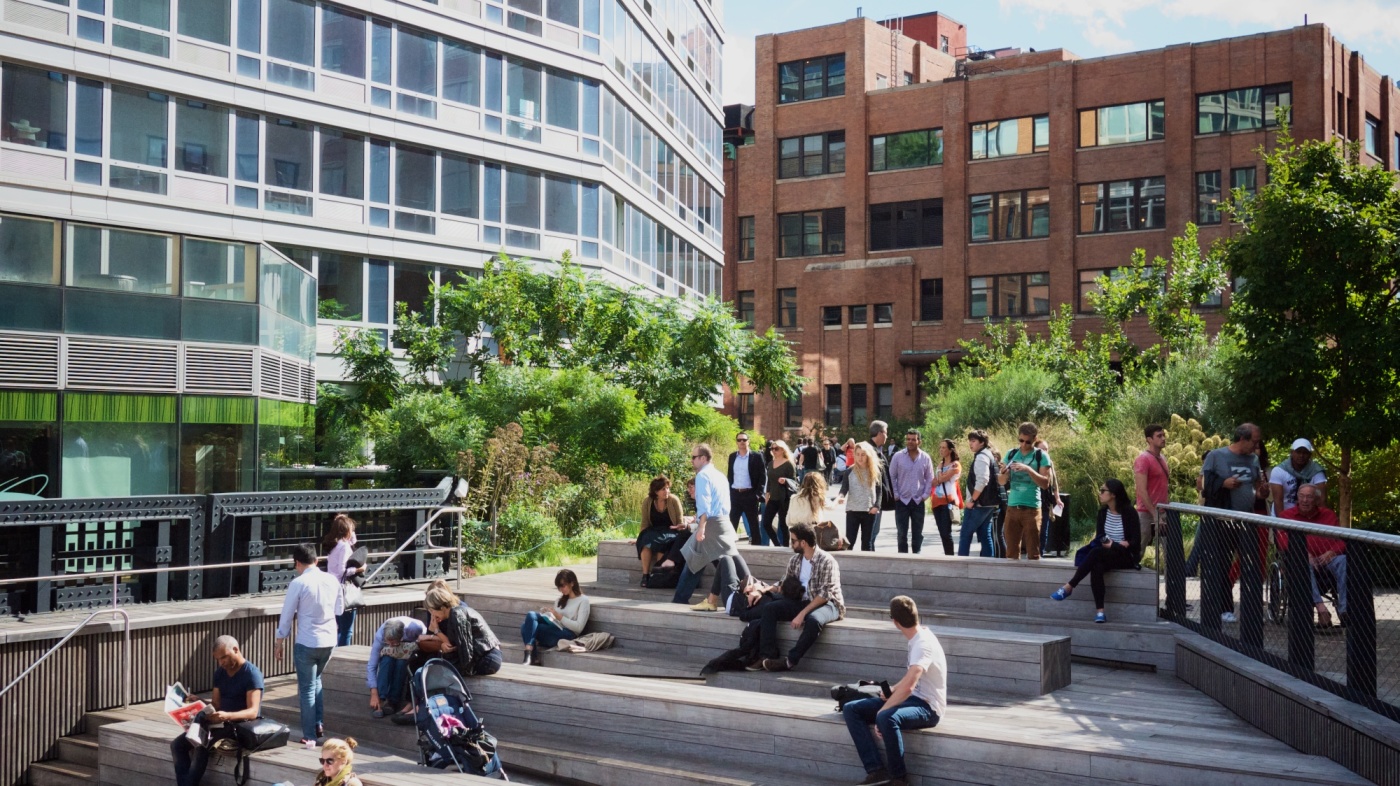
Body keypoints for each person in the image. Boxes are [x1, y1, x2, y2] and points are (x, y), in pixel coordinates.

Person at [842, 596, 945, 786]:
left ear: (895, 622)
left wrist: (883, 709)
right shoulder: (918, 637)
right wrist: (893, 689)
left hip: (929, 708)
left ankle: (899, 779)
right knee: (851, 709)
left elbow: (910, 686)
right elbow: (909, 680)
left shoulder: (923, 644)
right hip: (913, 699)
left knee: (885, 717)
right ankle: (876, 771)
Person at [752, 522, 845, 672]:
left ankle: (790, 661)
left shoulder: (827, 561)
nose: (791, 544)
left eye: (793, 540)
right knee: (770, 609)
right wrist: (762, 589)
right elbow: (784, 583)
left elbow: (825, 594)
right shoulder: (795, 560)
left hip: (828, 604)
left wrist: (802, 614)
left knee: (813, 620)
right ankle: (767, 656)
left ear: (803, 542)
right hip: (802, 601)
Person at [171, 635, 264, 786]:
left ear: (236, 650)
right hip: (218, 722)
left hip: (239, 726)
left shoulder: (251, 674)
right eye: (218, 659)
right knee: (177, 745)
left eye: (224, 657)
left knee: (201, 745)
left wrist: (227, 716)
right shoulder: (220, 673)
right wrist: (199, 701)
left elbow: (253, 712)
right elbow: (216, 704)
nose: (221, 663)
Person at [1197, 423, 1264, 623]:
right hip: (1223, 519)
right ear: (1242, 439)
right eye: (1254, 441)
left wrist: (1263, 492)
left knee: (1251, 565)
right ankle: (1224, 608)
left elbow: (1257, 487)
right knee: (1222, 564)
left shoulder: (1253, 459)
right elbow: (1200, 483)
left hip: (1247, 519)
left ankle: (1252, 609)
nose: (1257, 446)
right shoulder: (1216, 456)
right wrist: (1223, 483)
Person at [275, 543, 340, 745]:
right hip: (329, 640)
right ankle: (318, 724)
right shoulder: (332, 579)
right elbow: (339, 609)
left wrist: (279, 641)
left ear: (297, 563)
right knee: (316, 680)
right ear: (317, 560)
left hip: (307, 641)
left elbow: (287, 615)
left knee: (306, 689)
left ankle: (309, 735)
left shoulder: (298, 583)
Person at [1051, 479, 1142, 623]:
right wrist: (1115, 544)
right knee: (1096, 566)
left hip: (1126, 556)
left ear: (1113, 494)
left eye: (1103, 491)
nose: (1100, 493)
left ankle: (1069, 587)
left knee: (1095, 553)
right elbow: (1100, 537)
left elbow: (1135, 542)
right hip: (1108, 552)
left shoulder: (1129, 512)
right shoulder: (1103, 513)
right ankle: (1100, 612)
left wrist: (1114, 545)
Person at [676, 444, 741, 606]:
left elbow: (704, 504)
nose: (691, 460)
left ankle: (679, 600)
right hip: (723, 522)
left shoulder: (702, 476)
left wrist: (701, 527)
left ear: (703, 458)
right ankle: (739, 593)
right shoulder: (720, 475)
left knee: (696, 558)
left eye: (694, 457)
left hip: (711, 524)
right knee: (716, 559)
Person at [1279, 484, 1348, 628]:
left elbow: (1342, 540)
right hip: (1302, 559)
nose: (1305, 500)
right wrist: (1303, 553)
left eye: (1309, 497)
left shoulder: (1328, 515)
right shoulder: (1286, 516)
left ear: (1316, 499)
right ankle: (1321, 609)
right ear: (1297, 497)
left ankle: (1345, 610)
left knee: (1344, 561)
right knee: (1302, 562)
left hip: (1327, 559)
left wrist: (1332, 552)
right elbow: (1282, 540)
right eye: (1302, 496)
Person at [422, 581, 503, 677]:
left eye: (432, 610)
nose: (432, 614)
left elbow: (465, 653)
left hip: (487, 658)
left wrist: (437, 630)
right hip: (481, 657)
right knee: (434, 663)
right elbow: (454, 645)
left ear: (442, 608)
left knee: (439, 669)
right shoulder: (453, 613)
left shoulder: (457, 615)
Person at [998, 422, 1053, 560]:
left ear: (1035, 439)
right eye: (1021, 440)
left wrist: (1028, 469)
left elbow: (1045, 484)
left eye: (1028, 442)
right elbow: (1001, 481)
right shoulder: (1011, 454)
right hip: (1012, 507)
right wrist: (1004, 472)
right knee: (1011, 553)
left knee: (1033, 553)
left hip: (1031, 508)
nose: (1023, 444)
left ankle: (1033, 574)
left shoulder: (1041, 456)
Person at [521, 569, 591, 665]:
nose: (561, 589)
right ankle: (530, 653)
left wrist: (559, 616)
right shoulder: (559, 600)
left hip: (568, 634)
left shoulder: (583, 600)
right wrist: (548, 614)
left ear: (572, 583)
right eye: (559, 587)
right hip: (554, 628)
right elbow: (555, 621)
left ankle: (531, 656)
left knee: (525, 627)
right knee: (531, 615)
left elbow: (579, 628)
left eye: (563, 586)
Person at [367, 616, 426, 718]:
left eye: (393, 642)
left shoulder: (415, 628)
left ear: (402, 635)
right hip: (389, 653)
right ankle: (381, 698)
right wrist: (373, 692)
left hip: (407, 648)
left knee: (401, 663)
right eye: (388, 642)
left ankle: (393, 700)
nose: (390, 645)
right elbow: (372, 665)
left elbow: (424, 638)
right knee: (386, 661)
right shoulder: (380, 636)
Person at [889, 429, 935, 554]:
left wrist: (925, 495)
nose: (910, 442)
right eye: (908, 439)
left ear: (919, 441)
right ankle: (903, 559)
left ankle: (917, 557)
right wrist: (896, 494)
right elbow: (892, 476)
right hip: (902, 501)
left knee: (917, 534)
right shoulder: (898, 456)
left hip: (918, 501)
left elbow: (930, 478)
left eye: (913, 439)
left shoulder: (925, 457)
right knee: (901, 534)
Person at [636, 476, 686, 587]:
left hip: (670, 531)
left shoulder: (674, 500)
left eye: (668, 488)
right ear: (656, 491)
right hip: (654, 531)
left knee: (663, 545)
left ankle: (657, 575)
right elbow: (645, 523)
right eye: (663, 489)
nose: (667, 491)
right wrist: (639, 538)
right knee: (645, 543)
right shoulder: (647, 501)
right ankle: (645, 575)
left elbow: (680, 522)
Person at [323, 513, 363, 647]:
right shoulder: (344, 547)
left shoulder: (334, 544)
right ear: (346, 530)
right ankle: (342, 652)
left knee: (338, 626)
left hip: (333, 589)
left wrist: (341, 521)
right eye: (351, 529)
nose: (352, 532)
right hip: (343, 590)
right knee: (346, 630)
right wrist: (358, 569)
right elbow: (342, 571)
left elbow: (353, 541)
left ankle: (334, 652)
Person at [959, 431, 1000, 558]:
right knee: (985, 534)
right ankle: (988, 563)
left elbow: (983, 480)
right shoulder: (988, 454)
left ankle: (961, 563)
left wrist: (972, 500)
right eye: (970, 441)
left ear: (982, 443)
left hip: (979, 503)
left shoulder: (981, 457)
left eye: (973, 441)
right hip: (988, 502)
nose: (970, 444)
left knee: (965, 534)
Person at [838, 442, 883, 552]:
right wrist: (841, 497)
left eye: (863, 454)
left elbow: (879, 491)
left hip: (869, 511)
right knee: (849, 542)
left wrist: (876, 506)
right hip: (852, 510)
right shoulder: (849, 471)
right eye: (857, 454)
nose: (860, 457)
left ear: (868, 455)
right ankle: (849, 562)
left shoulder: (875, 471)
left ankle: (867, 563)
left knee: (867, 543)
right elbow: (844, 488)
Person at [1133, 424, 1171, 551]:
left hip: (1163, 511)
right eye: (1159, 436)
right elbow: (1141, 490)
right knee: (1138, 550)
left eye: (1164, 435)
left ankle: (1168, 567)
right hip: (1146, 513)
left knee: (1170, 551)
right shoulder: (1143, 459)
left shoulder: (1163, 458)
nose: (1163, 438)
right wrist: (1155, 514)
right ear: (1149, 439)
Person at [727, 432, 767, 546]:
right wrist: (729, 492)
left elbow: (762, 476)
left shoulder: (756, 456)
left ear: (748, 442)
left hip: (750, 494)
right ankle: (728, 547)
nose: (742, 442)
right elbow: (730, 475)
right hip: (735, 494)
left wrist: (758, 494)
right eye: (739, 440)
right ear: (736, 442)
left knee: (753, 524)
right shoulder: (732, 456)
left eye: (744, 440)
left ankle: (757, 548)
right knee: (732, 523)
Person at [861, 421, 896, 547]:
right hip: (872, 499)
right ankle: (868, 557)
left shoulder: (876, 450)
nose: (887, 436)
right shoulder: (869, 451)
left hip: (876, 499)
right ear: (880, 433)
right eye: (886, 433)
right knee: (870, 535)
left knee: (872, 535)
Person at [1270, 438, 1328, 514]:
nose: (1301, 455)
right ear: (1292, 453)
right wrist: (1281, 519)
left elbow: (1321, 500)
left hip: (1309, 516)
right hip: (1284, 513)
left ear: (1310, 455)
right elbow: (1278, 500)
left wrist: (1322, 519)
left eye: (1305, 453)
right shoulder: (1279, 470)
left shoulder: (1316, 471)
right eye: (1298, 452)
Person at [929, 439, 962, 556]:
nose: (941, 450)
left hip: (948, 501)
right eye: (940, 447)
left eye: (944, 447)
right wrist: (940, 477)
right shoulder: (940, 464)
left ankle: (950, 556)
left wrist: (940, 475)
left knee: (946, 533)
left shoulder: (955, 464)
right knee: (942, 532)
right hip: (936, 501)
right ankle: (947, 555)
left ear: (950, 450)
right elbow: (934, 482)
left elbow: (942, 479)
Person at [762, 440, 798, 546]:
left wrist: (785, 480)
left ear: (782, 450)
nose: (774, 451)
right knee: (766, 523)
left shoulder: (789, 464)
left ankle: (786, 546)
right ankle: (777, 544)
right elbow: (769, 480)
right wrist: (767, 494)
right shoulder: (770, 463)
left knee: (783, 525)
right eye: (772, 449)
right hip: (773, 497)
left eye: (776, 449)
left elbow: (795, 483)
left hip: (784, 498)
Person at [1034, 439, 1063, 557]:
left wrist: (1057, 498)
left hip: (1046, 499)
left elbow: (1054, 482)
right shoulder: (1032, 461)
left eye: (1046, 449)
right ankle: (1033, 552)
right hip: (1033, 498)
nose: (1045, 451)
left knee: (1044, 529)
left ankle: (1040, 553)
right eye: (1042, 449)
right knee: (1034, 529)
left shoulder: (1049, 462)